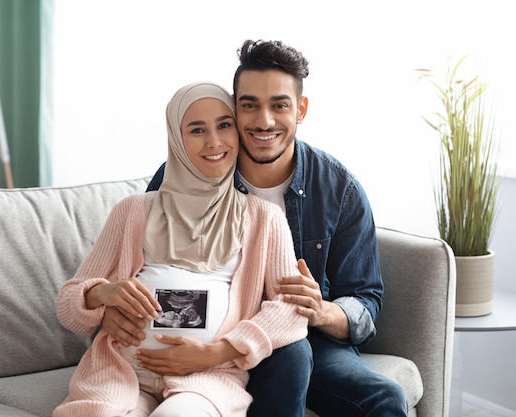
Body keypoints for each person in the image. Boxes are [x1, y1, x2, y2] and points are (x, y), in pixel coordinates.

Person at [102, 40, 409, 417]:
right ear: (235, 107)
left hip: (306, 339)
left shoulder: (338, 189)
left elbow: (365, 298)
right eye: (249, 105)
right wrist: (109, 310)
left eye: (279, 105)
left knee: (376, 394)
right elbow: (137, 266)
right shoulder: (187, 174)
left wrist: (322, 311)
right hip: (214, 330)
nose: (264, 121)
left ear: (301, 109)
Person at [53, 81, 309, 417]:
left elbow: (290, 310)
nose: (214, 142)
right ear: (176, 138)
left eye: (224, 126)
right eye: (197, 130)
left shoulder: (264, 218)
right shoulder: (132, 210)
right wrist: (102, 293)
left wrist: (219, 351)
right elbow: (68, 307)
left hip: (207, 378)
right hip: (120, 372)